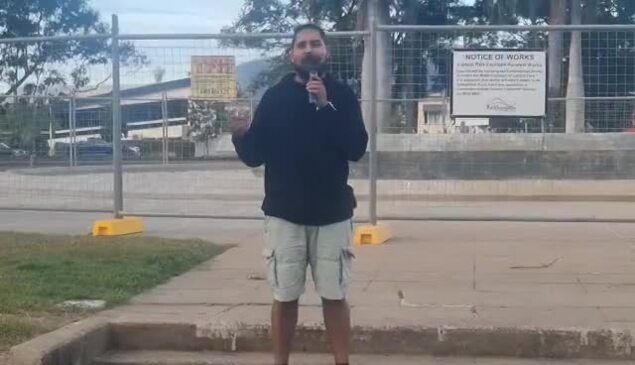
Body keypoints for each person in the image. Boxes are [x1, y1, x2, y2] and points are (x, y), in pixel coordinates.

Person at [231, 23, 368, 365]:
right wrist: (239, 136)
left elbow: (356, 148)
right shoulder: (275, 97)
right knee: (285, 295)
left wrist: (325, 106)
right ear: (292, 54)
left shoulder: (342, 94)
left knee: (334, 295)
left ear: (326, 52)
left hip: (332, 214)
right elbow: (255, 155)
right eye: (302, 45)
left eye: (315, 44)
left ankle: (342, 361)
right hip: (284, 213)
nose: (309, 50)